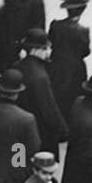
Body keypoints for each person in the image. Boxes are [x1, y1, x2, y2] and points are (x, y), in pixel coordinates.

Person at [15, 27, 69, 160]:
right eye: (45, 48)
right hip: (40, 131)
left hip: (18, 128)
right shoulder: (40, 76)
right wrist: (62, 130)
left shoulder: (17, 66)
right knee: (42, 170)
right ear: (35, 50)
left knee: (19, 163)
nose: (49, 51)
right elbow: (48, 108)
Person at [48, 0, 90, 119]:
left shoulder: (55, 25)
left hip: (56, 66)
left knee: (58, 96)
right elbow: (85, 52)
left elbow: (51, 42)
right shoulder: (83, 30)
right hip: (75, 70)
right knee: (74, 98)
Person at [0, 0, 45, 68]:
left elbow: (38, 28)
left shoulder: (35, 0)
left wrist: (27, 48)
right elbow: (5, 21)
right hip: (10, 44)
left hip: (27, 46)